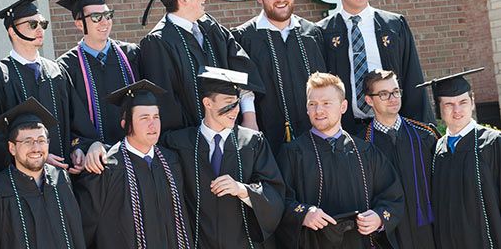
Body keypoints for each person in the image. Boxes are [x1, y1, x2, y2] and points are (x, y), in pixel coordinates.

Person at [277, 72, 404, 248]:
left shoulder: (366, 151)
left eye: (326, 103)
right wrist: (303, 214)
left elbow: (393, 197)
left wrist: (379, 217)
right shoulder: (292, 153)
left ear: (343, 106)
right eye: (312, 104)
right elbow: (278, 199)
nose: (318, 110)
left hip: (361, 242)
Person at [164, 67, 285, 248]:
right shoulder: (178, 143)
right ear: (208, 103)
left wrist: (243, 190)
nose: (235, 111)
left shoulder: (252, 142)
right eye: (228, 103)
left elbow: (274, 194)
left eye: (237, 103)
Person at [139, 0, 263, 132]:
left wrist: (249, 117)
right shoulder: (158, 43)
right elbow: (166, 104)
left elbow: (241, 70)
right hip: (191, 143)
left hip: (231, 134)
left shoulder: (212, 28)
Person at [0, 0, 92, 181]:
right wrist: (37, 158)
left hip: (60, 179)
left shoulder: (57, 71)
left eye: (43, 24)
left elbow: (77, 120)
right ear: (12, 31)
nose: (40, 29)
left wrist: (78, 147)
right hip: (20, 182)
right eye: (33, 25)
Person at [317, 0, 432, 135]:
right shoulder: (323, 32)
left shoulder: (394, 25)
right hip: (347, 130)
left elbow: (412, 76)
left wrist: (420, 128)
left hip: (392, 127)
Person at [75, 80, 192, 249]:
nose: (153, 124)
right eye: (144, 118)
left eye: (156, 117)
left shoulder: (171, 161)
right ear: (125, 123)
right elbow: (86, 226)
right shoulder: (106, 167)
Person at [232, 0, 326, 153]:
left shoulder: (312, 33)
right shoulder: (244, 37)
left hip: (317, 132)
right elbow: (243, 85)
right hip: (268, 133)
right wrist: (249, 120)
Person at [0, 98, 86, 249]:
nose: (36, 148)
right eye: (27, 141)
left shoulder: (61, 178)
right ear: (12, 148)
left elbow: (76, 234)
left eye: (41, 140)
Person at [55, 0, 139, 163]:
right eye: (95, 17)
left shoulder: (131, 54)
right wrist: (80, 145)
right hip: (94, 160)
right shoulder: (66, 67)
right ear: (79, 24)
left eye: (107, 15)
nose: (105, 22)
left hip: (135, 153)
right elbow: (70, 118)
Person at [420, 68, 501, 247]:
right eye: (449, 104)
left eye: (463, 102)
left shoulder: (493, 143)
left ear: (472, 103)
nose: (457, 110)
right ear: (439, 109)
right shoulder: (438, 149)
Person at [361, 69, 438, 249]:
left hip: (429, 233)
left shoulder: (426, 135)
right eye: (384, 94)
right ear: (369, 100)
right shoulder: (361, 146)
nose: (393, 98)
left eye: (396, 91)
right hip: (389, 237)